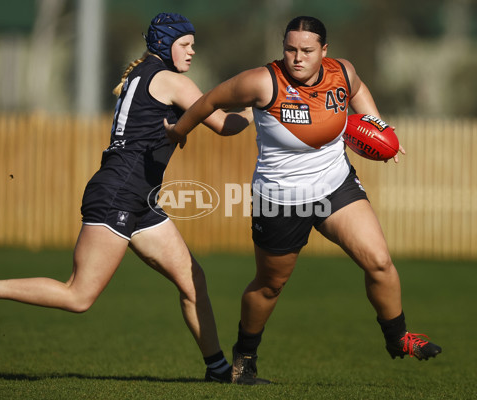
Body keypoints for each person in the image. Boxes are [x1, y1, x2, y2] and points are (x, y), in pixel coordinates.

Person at [0, 12, 253, 383]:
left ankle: (218, 370)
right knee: (79, 295)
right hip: (119, 194)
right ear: (165, 45)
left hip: (138, 198)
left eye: (193, 45)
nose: (192, 51)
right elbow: (223, 124)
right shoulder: (170, 80)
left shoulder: (146, 74)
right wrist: (259, 111)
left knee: (193, 282)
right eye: (185, 44)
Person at [165, 16, 442, 384]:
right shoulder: (262, 81)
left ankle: (398, 338)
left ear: (324, 51)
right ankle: (245, 356)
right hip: (279, 198)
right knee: (270, 285)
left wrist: (380, 128)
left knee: (379, 261)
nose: (297, 58)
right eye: (290, 49)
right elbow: (210, 100)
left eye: (307, 51)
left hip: (334, 185)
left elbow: (358, 91)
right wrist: (178, 131)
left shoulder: (342, 72)